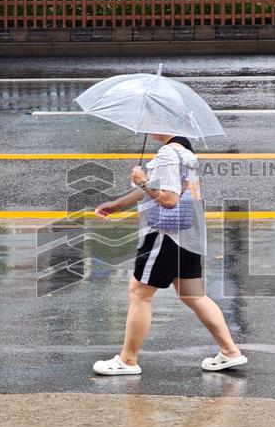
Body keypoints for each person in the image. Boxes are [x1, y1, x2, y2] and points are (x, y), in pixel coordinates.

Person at [92, 134, 247, 376]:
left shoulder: (167, 154)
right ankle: (230, 351)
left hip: (165, 235)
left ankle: (128, 360)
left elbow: (168, 199)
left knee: (140, 293)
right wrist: (118, 204)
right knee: (193, 295)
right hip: (187, 235)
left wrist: (143, 181)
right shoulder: (186, 154)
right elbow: (162, 190)